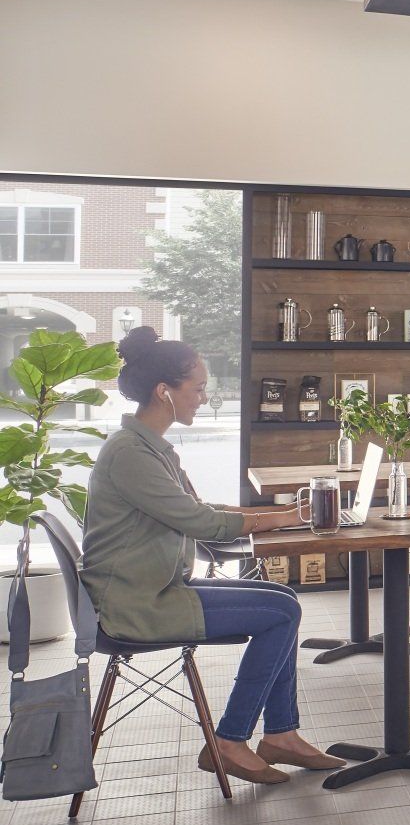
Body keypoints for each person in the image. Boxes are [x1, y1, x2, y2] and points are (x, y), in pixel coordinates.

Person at [80, 327, 343, 785]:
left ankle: (281, 734)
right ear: (165, 392)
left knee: (282, 598)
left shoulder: (149, 447)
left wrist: (285, 513)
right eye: (198, 388)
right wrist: (282, 520)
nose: (205, 396)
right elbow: (202, 525)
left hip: (155, 588)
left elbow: (203, 511)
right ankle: (230, 740)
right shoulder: (131, 455)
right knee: (279, 614)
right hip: (136, 605)